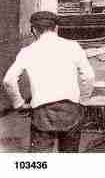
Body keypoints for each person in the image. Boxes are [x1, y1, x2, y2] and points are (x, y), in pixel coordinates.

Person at [2, 11, 95, 153]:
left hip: (42, 112)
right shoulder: (73, 46)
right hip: (71, 110)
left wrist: (18, 103)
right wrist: (82, 100)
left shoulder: (27, 51)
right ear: (55, 28)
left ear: (33, 29)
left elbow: (9, 81)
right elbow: (88, 76)